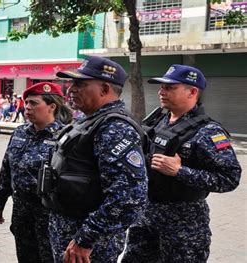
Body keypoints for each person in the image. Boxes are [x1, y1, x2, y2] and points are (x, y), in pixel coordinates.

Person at [122, 65, 242, 262]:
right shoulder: (158, 120)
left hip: (184, 223)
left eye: (170, 87)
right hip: (146, 216)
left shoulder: (208, 131)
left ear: (192, 91)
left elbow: (230, 178)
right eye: (161, 87)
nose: (161, 91)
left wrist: (179, 171)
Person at [43, 56, 148, 262]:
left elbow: (129, 197)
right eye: (72, 83)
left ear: (104, 89)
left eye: (80, 84)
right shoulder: (87, 121)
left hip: (89, 245)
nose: (71, 89)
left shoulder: (115, 128)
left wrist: (86, 238)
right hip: (69, 233)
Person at [0, 82, 73, 262]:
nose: (27, 107)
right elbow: (7, 168)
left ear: (52, 106)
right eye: (26, 102)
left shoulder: (65, 137)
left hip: (49, 215)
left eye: (34, 103)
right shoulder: (20, 132)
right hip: (21, 212)